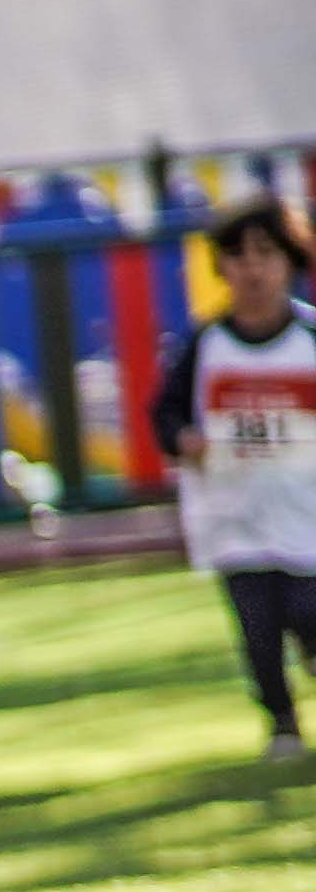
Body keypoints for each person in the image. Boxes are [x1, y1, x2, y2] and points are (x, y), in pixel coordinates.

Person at [150, 194, 316, 761]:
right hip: (236, 516)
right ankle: (282, 722)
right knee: (259, 631)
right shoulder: (206, 344)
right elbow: (165, 412)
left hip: (307, 513)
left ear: (290, 261)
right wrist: (183, 440)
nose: (252, 269)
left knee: (308, 612)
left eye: (265, 254)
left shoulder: (309, 339)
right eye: (238, 256)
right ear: (220, 267)